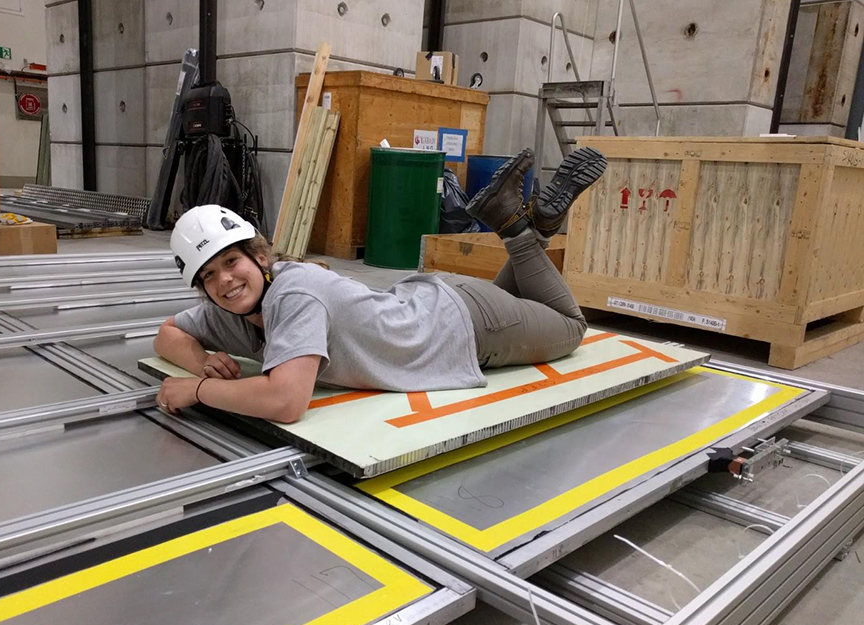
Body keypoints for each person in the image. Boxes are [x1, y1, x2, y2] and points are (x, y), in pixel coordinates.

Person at [154, 146, 607, 423]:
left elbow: (286, 401)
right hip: (444, 303)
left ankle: (512, 226)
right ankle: (541, 225)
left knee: (570, 326)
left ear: (259, 256)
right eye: (208, 276)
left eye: (231, 262)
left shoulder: (294, 294)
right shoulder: (233, 308)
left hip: (467, 329)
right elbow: (168, 332)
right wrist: (202, 360)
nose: (225, 281)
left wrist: (197, 390)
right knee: (518, 301)